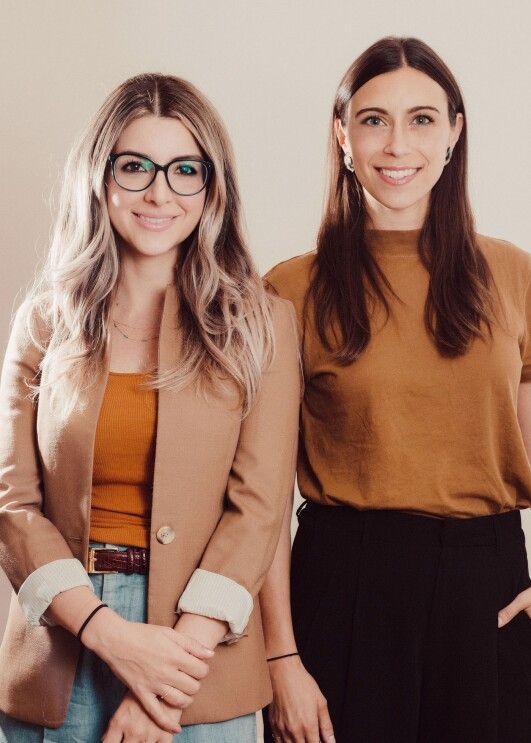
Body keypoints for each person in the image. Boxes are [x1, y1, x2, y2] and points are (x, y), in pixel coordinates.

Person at [0, 73, 300, 743]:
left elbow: (258, 510)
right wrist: (112, 637)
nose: (159, 191)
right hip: (64, 638)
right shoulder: (44, 321)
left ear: (211, 187)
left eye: (184, 169)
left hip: (204, 651)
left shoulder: (262, 323)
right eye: (135, 166)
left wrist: (169, 670)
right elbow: (14, 505)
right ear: (99, 177)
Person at [259, 36, 531, 743]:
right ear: (341, 135)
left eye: (421, 119)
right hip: (341, 584)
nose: (396, 143)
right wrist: (280, 655)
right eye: (373, 119)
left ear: (453, 134)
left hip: (489, 586)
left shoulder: (512, 274)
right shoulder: (288, 291)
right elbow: (255, 497)